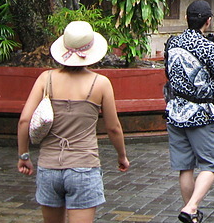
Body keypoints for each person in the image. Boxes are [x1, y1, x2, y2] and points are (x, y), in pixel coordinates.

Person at [17, 21, 130, 223]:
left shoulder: (46, 79)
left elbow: (25, 120)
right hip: (84, 168)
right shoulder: (101, 83)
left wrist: (24, 155)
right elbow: (113, 128)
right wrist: (121, 156)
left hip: (49, 167)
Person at [164, 0, 214, 223]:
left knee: (185, 166)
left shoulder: (172, 43)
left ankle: (191, 212)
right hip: (201, 113)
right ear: (208, 21)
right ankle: (191, 207)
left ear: (186, 18)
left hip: (175, 111)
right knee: (213, 162)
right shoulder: (207, 46)